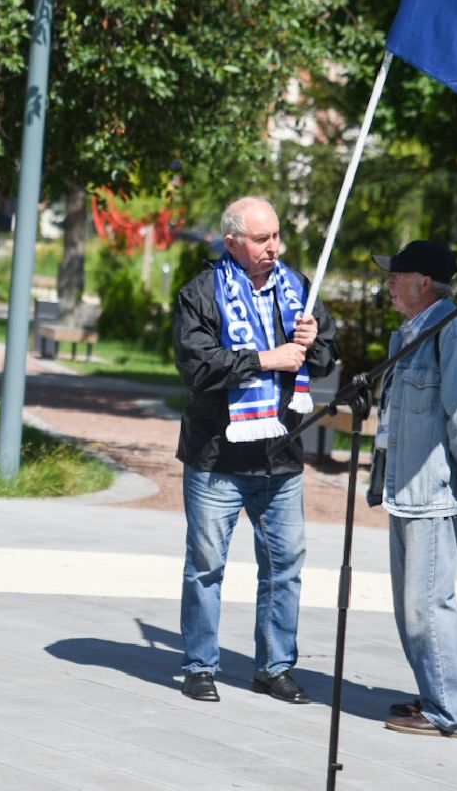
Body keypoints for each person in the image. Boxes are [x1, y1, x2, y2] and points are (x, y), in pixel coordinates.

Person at [172, 196, 337, 705]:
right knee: (206, 565)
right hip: (216, 455)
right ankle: (200, 665)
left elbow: (327, 359)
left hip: (280, 454)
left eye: (277, 236)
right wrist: (267, 358)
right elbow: (197, 365)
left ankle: (275, 667)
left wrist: (314, 342)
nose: (274, 247)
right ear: (232, 243)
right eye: (262, 239)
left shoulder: (297, 290)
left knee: (285, 564)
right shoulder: (201, 292)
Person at [370, 240, 457, 739]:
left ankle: (451, 711)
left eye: (395, 277)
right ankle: (432, 692)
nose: (387, 285)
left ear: (423, 282)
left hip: (434, 493)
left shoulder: (455, 331)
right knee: (409, 607)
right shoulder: (411, 335)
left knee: (428, 607)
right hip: (405, 490)